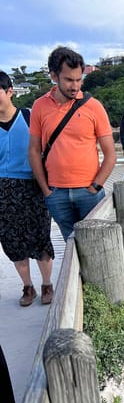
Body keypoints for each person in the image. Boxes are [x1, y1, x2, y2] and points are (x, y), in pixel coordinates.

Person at [29, 46, 116, 242]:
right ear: (54, 76)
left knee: (97, 245)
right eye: (69, 80)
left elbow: (110, 154)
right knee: (71, 246)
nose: (75, 86)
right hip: (56, 194)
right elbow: (34, 150)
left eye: (79, 79)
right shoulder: (39, 106)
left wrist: (96, 186)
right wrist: (46, 190)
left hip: (89, 192)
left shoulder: (93, 106)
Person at [0, 71, 54, 307]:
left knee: (40, 238)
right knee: (13, 242)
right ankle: (27, 287)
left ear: (9, 91)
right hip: (3, 189)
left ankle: (46, 284)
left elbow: (49, 148)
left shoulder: (29, 117)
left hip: (32, 186)